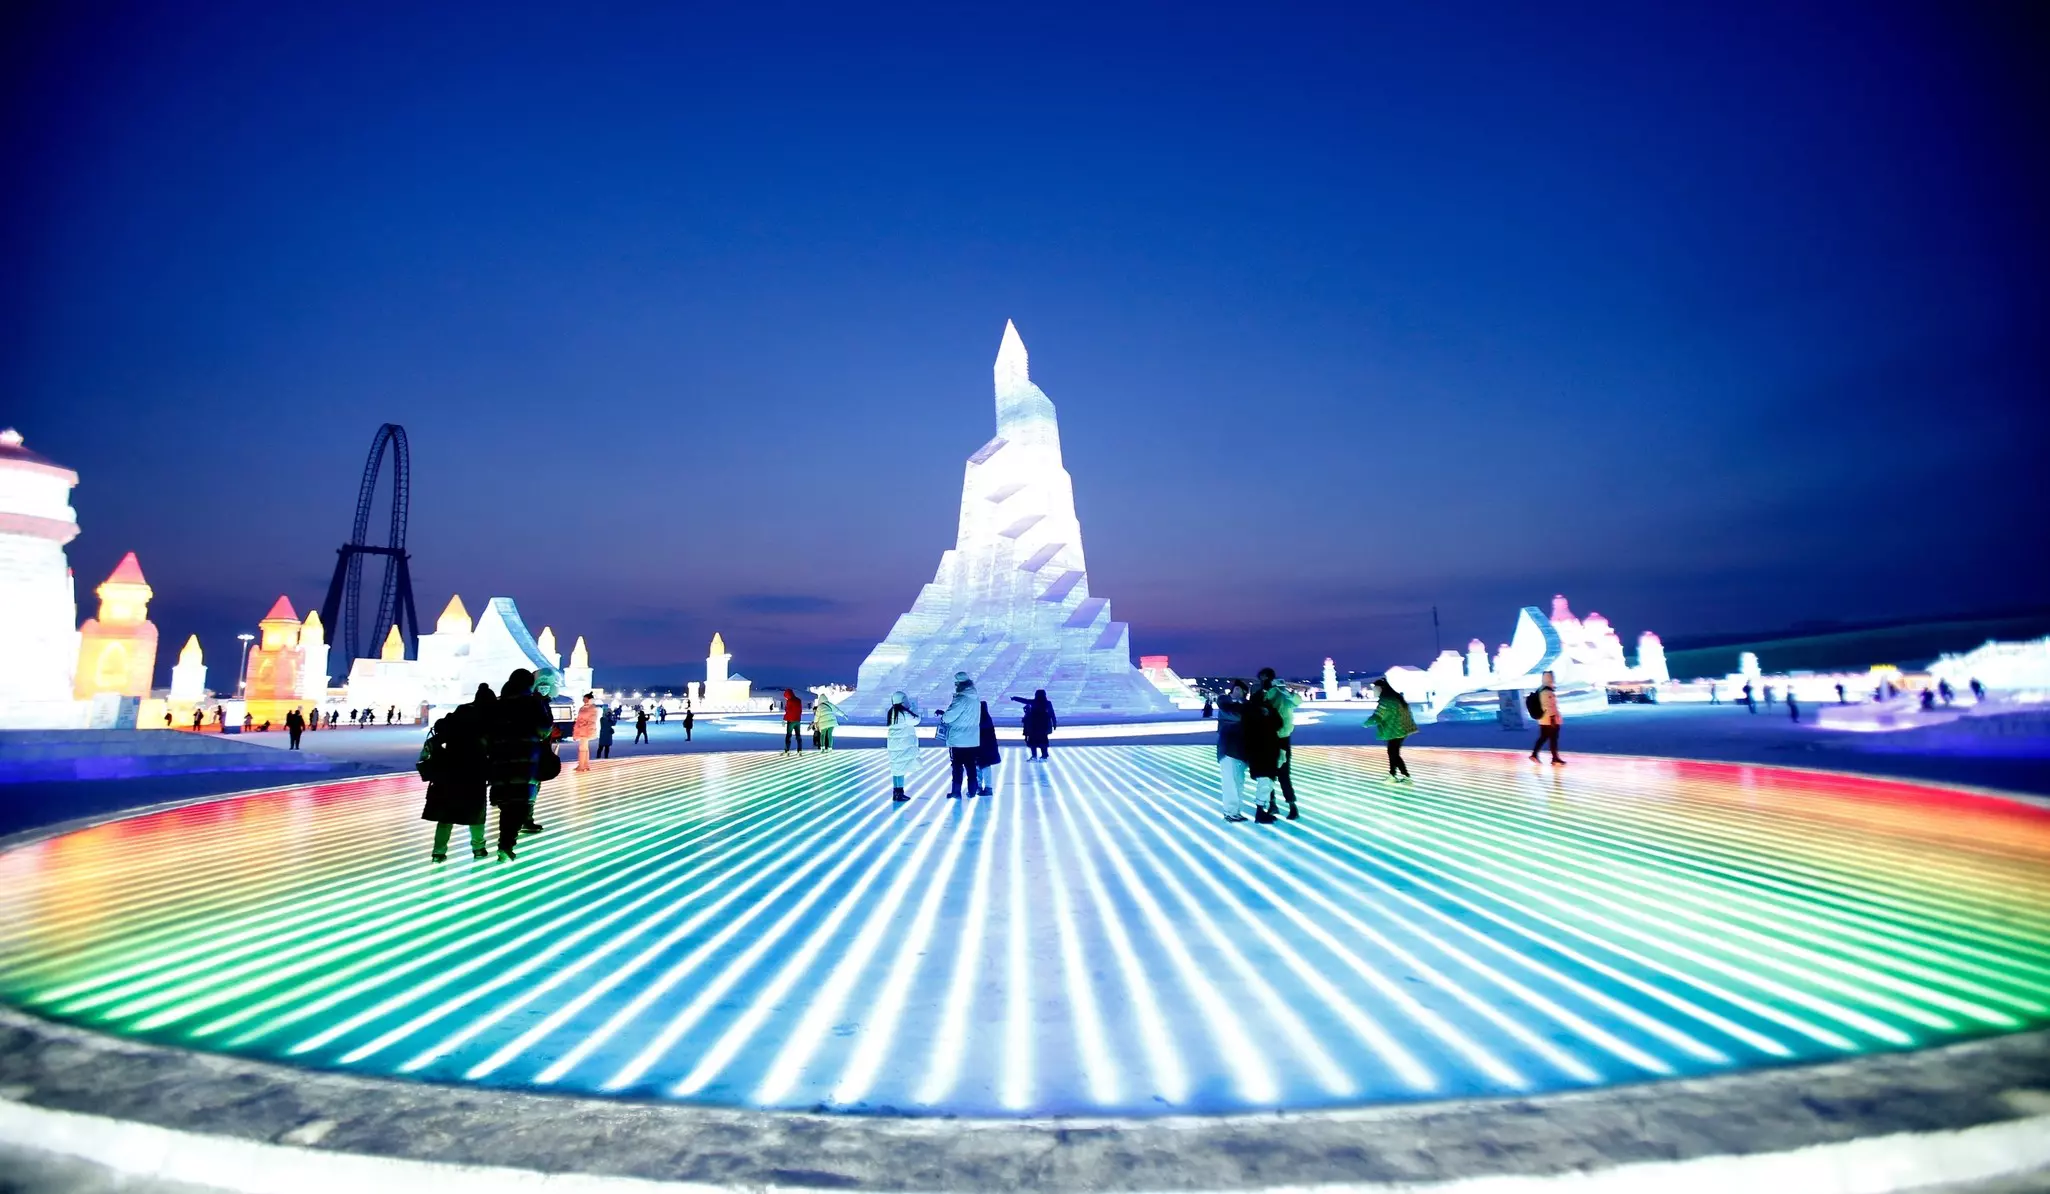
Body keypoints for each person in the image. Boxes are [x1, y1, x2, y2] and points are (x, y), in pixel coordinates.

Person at [485, 668, 557, 859]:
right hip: (525, 759)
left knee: (506, 802)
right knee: (519, 803)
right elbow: (544, 729)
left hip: (500, 759)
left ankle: (505, 842)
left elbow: (487, 731)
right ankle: (506, 844)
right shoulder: (533, 702)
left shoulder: (498, 704)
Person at [421, 684, 495, 861]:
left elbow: (438, 737)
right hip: (475, 772)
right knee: (476, 813)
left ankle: (438, 852)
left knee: (446, 814)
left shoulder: (460, 713)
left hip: (450, 770)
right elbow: (494, 747)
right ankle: (479, 848)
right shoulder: (490, 718)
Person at [1254, 668, 1301, 819]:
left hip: (1281, 739)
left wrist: (1286, 691)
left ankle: (1291, 805)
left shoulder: (1281, 692)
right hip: (1267, 739)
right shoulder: (1261, 694)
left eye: (1265, 678)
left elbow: (1297, 701)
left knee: (1283, 773)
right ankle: (1273, 804)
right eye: (1261, 678)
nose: (1263, 681)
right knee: (1268, 773)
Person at [1241, 676, 1286, 823]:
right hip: (1260, 751)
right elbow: (1276, 724)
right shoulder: (1252, 709)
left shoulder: (1264, 708)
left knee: (1268, 780)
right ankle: (1260, 811)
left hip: (1267, 749)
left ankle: (1262, 809)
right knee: (1265, 780)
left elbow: (1278, 723)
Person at [938, 672, 980, 798]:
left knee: (957, 767)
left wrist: (943, 716)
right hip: (972, 739)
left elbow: (948, 717)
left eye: (956, 684)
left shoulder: (960, 699)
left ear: (960, 684)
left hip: (958, 739)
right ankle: (972, 790)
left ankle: (956, 792)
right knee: (971, 766)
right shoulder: (975, 698)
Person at [1368, 678, 1418, 782]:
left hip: (1394, 730)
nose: (1374, 691)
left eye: (1375, 689)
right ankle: (1395, 775)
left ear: (1381, 688)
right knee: (1393, 753)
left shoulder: (1386, 701)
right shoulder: (1396, 698)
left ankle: (1402, 776)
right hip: (1402, 729)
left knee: (1393, 754)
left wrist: (1366, 723)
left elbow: (1378, 716)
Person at [1215, 680, 1249, 822]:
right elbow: (1235, 715)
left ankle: (1236, 811)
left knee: (1238, 782)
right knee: (1230, 783)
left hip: (1242, 750)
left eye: (1241, 690)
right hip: (1228, 749)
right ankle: (1230, 812)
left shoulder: (1245, 705)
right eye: (1236, 688)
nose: (1238, 691)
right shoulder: (1225, 702)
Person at [885, 690, 920, 802]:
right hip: (902, 745)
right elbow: (916, 720)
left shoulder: (892, 712)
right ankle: (899, 794)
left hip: (894, 746)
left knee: (896, 770)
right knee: (900, 770)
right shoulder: (903, 713)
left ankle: (896, 793)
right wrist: (914, 708)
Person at [1530, 670, 1564, 765]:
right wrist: (1553, 719)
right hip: (1549, 720)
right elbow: (1549, 706)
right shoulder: (1547, 691)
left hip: (1544, 720)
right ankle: (1554, 758)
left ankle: (1535, 754)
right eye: (1552, 677)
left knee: (1544, 737)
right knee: (1553, 738)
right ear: (1550, 679)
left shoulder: (1542, 689)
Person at [1011, 689, 1055, 759]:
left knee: (1033, 741)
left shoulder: (1034, 702)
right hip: (1043, 724)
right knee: (1043, 740)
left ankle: (1034, 755)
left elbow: (1024, 701)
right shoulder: (1047, 703)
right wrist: (1054, 723)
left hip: (1034, 724)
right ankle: (1044, 755)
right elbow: (1052, 713)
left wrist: (1015, 698)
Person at [975, 700, 1000, 795]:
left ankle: (982, 787)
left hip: (980, 747)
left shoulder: (979, 719)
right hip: (986, 748)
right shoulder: (987, 718)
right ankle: (985, 787)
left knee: (980, 766)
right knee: (982, 766)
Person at [571, 693, 599, 772]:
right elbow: (579, 719)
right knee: (584, 748)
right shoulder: (583, 708)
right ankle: (585, 765)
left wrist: (584, 724)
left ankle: (582, 766)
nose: (584, 700)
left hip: (586, 730)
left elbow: (592, 720)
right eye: (583, 699)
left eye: (585, 698)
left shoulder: (592, 708)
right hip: (581, 730)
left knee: (583, 748)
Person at [781, 688, 804, 754]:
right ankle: (799, 749)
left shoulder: (789, 701)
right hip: (797, 720)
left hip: (791, 721)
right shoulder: (798, 700)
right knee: (798, 735)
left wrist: (784, 719)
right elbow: (800, 710)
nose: (786, 698)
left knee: (788, 735)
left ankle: (787, 750)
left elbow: (788, 711)